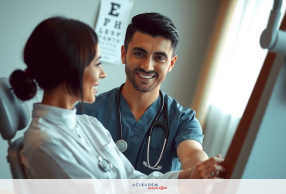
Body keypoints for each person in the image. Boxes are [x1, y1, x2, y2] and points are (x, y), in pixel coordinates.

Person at [10, 16, 225, 179]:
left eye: (159, 57)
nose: (103, 74)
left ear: (171, 62)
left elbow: (133, 181)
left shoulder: (88, 124)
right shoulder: (45, 144)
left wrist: (187, 176)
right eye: (97, 64)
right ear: (69, 68)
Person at [76, 13, 211, 175]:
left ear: (171, 63)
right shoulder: (86, 110)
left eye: (159, 57)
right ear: (124, 54)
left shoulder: (182, 119)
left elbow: (192, 154)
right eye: (139, 54)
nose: (147, 66)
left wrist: (203, 168)